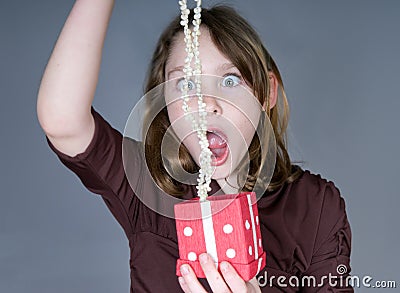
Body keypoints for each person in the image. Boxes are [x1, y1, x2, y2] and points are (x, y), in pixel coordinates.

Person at [37, 0, 353, 292]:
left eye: (230, 80)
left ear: (267, 93)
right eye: (186, 85)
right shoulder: (147, 186)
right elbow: (63, 120)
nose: (206, 104)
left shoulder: (315, 205)